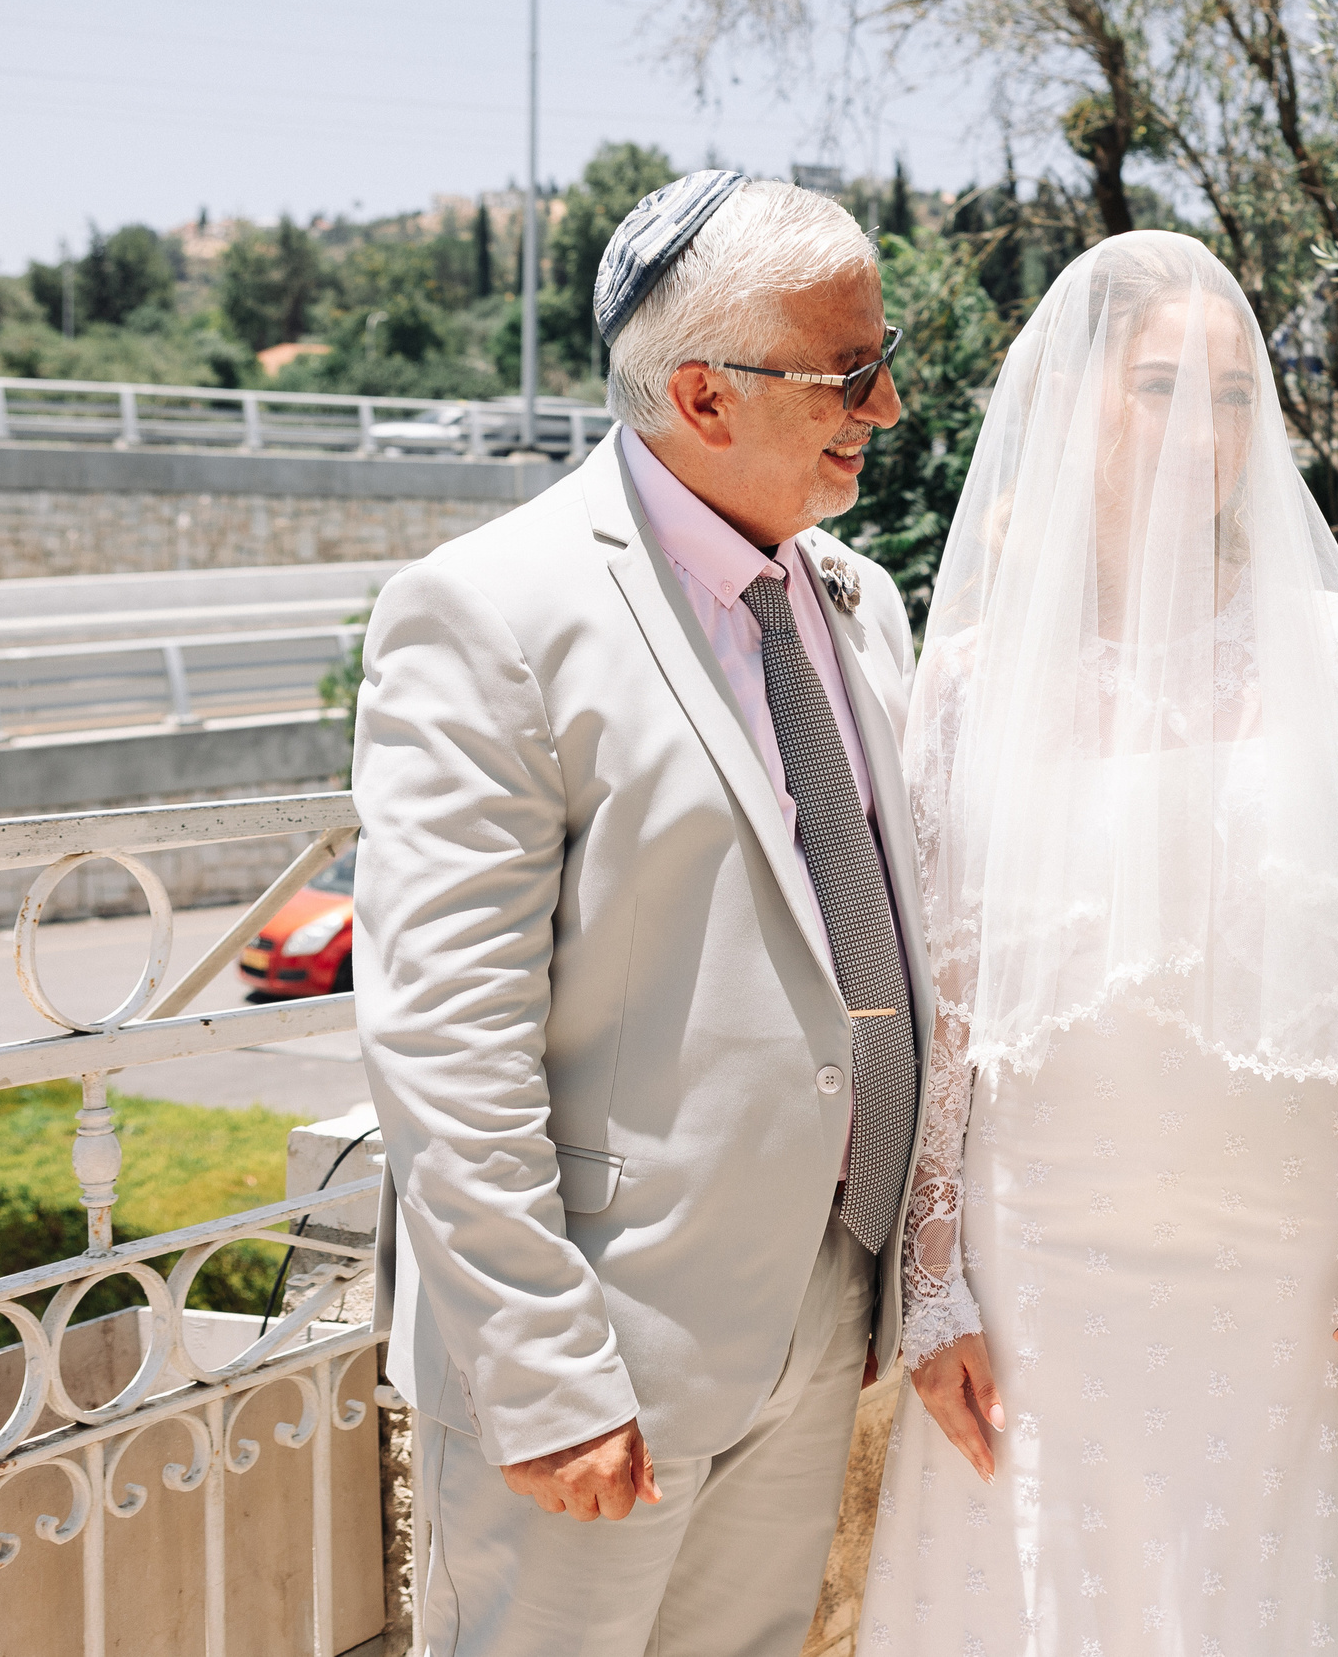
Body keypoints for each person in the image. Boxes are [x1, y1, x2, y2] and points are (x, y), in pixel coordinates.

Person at [860, 230, 1338, 1654]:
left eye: (1232, 395)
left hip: (1281, 1242)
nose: (1203, 429)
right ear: (1071, 402)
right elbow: (947, 994)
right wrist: (933, 1273)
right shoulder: (969, 682)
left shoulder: (1333, 652)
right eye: (1159, 388)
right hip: (1043, 1239)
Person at [353, 172, 928, 1657]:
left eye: (884, 357)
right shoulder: (488, 611)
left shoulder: (857, 596)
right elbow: (445, 1036)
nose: (887, 405)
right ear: (702, 394)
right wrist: (542, 1371)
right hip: (601, 1351)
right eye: (849, 372)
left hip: (820, 1314)